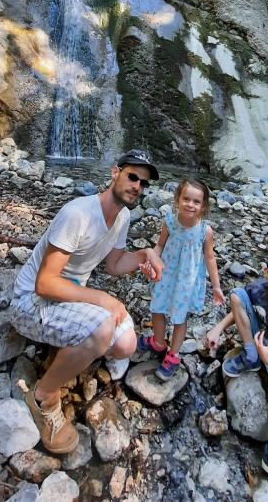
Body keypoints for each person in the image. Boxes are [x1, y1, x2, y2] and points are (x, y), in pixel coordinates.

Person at [10, 149, 163, 454]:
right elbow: (45, 283)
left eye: (144, 183)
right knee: (103, 326)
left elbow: (114, 264)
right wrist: (102, 298)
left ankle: (70, 348)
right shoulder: (77, 213)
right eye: (132, 176)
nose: (137, 186)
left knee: (126, 344)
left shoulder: (122, 217)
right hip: (30, 303)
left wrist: (144, 254)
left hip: (66, 299)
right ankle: (43, 396)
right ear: (114, 172)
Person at [206, 252, 268, 497]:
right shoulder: (259, 287)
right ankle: (249, 355)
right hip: (258, 341)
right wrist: (217, 328)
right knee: (237, 294)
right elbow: (239, 307)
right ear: (267, 272)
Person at [137, 177, 225, 380]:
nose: (190, 204)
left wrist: (217, 286)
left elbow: (210, 259)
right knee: (157, 308)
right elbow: (159, 245)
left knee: (180, 317)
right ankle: (159, 342)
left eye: (196, 202)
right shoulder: (169, 221)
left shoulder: (205, 231)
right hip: (165, 273)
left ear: (203, 206)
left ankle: (173, 355)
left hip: (187, 282)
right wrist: (152, 260)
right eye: (186, 199)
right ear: (178, 199)